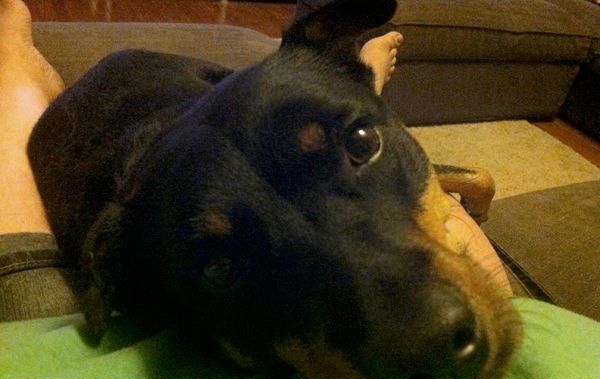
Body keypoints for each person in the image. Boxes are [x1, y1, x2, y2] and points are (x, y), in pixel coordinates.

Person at [0, 0, 508, 323]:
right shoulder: (136, 246)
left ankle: (15, 73)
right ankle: (358, 88)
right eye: (223, 268)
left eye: (357, 145)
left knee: (272, 108)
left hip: (164, 83)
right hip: (148, 130)